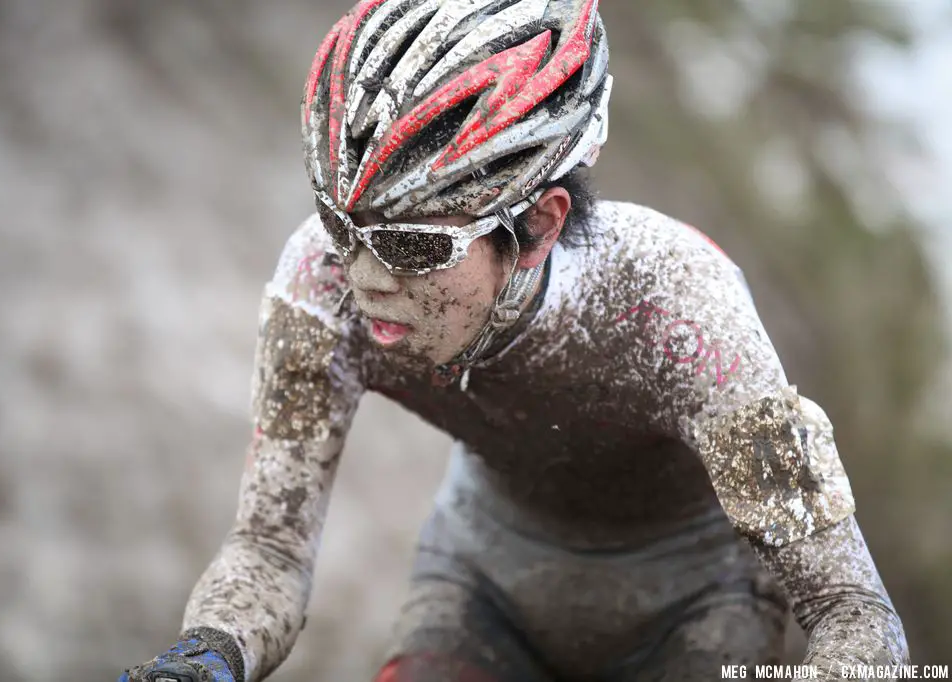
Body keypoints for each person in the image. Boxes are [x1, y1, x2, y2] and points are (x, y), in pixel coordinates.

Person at [119, 1, 910, 680]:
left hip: (700, 604)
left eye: (415, 246)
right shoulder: (320, 282)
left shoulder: (679, 304)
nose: (364, 276)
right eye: (339, 223)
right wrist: (206, 659)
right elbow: (268, 550)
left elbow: (852, 611)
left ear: (538, 227)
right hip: (481, 584)